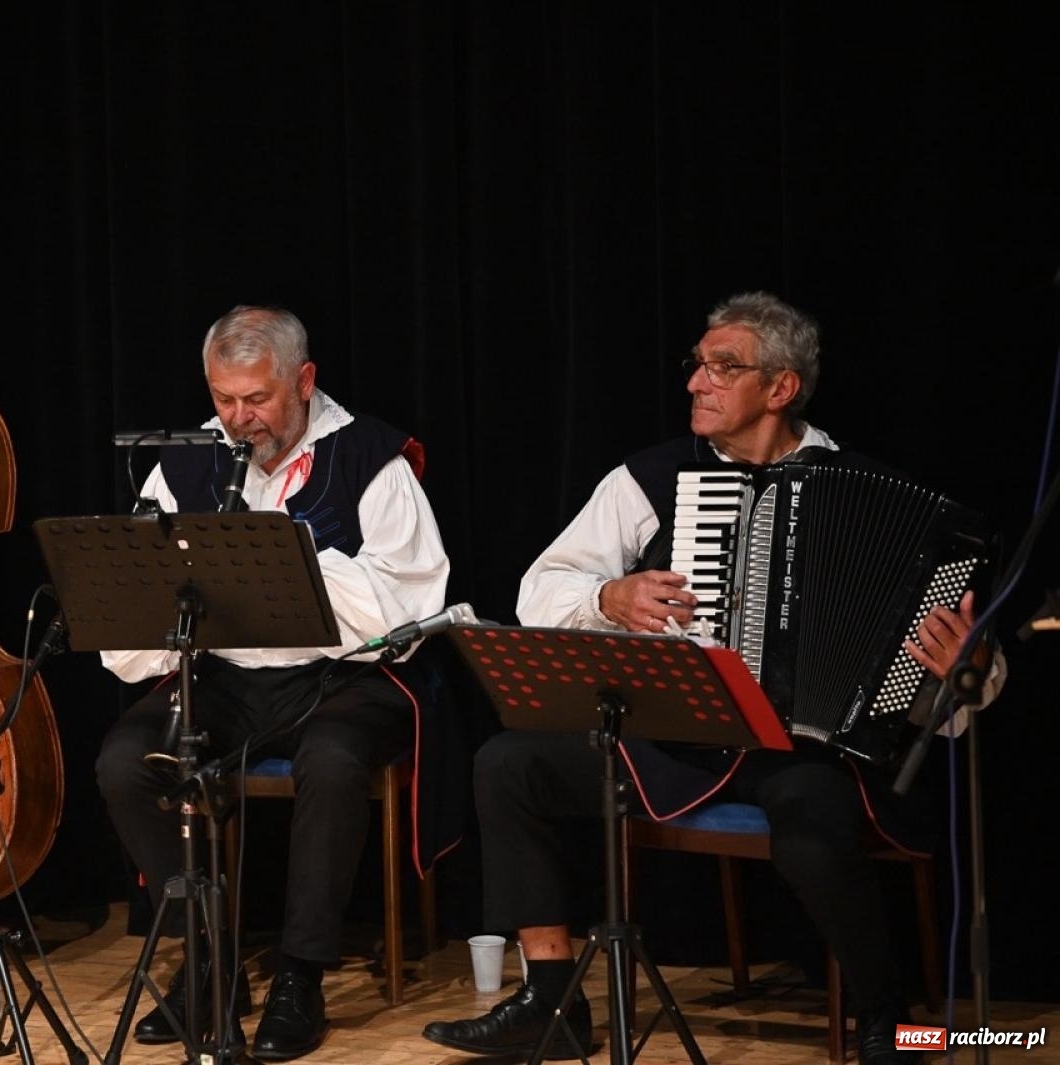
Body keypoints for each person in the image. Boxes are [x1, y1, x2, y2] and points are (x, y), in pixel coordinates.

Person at [422, 292, 1001, 1065]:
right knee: (509, 761)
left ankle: (886, 1019)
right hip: (672, 736)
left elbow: (955, 688)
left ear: (782, 387)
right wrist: (608, 596)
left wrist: (968, 671)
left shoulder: (870, 490)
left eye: (723, 367)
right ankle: (550, 997)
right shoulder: (650, 476)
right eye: (696, 363)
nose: (697, 380)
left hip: (799, 750)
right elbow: (537, 592)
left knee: (814, 821)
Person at [96, 305, 450, 1062]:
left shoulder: (370, 456)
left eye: (256, 399)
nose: (237, 417)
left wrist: (286, 568)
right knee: (124, 762)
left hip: (340, 679)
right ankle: (210, 962)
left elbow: (412, 601)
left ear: (304, 381)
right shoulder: (188, 463)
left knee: (332, 760)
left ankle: (300, 974)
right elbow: (139, 598)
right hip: (225, 677)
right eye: (224, 398)